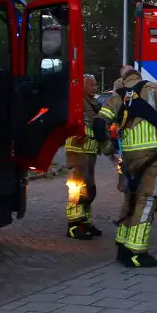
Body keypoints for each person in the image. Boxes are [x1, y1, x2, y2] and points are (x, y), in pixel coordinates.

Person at [94, 65, 157, 268]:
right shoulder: (154, 88)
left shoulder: (117, 96)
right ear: (137, 75)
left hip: (128, 158)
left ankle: (122, 246)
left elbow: (99, 123)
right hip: (152, 155)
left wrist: (108, 148)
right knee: (147, 200)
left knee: (130, 199)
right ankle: (136, 252)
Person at [64, 74, 102, 240]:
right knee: (76, 188)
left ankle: (85, 221)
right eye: (92, 84)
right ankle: (74, 225)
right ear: (83, 87)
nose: (96, 87)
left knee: (89, 189)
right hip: (77, 150)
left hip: (90, 152)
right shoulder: (77, 103)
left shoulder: (94, 103)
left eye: (95, 84)